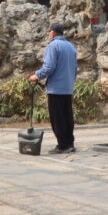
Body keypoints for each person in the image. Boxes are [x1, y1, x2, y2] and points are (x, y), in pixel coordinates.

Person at [28, 23, 77, 154]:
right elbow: (74, 68)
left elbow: (49, 67)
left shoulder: (53, 45)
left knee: (57, 118)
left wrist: (37, 75)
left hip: (56, 88)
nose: (48, 34)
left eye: (49, 31)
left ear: (53, 33)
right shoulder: (70, 46)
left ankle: (62, 145)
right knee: (67, 117)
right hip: (67, 87)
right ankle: (69, 143)